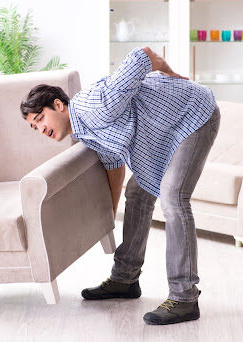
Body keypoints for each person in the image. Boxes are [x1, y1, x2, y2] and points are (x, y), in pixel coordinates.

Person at [20, 46, 220, 325]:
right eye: (34, 127)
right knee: (137, 193)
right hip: (166, 133)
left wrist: (168, 71)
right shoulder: (85, 132)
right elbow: (115, 167)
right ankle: (125, 280)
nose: (41, 129)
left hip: (194, 115)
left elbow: (143, 55)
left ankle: (185, 297)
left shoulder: (94, 106)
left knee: (173, 199)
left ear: (58, 105)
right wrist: (109, 218)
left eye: (40, 118)